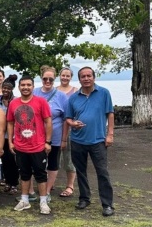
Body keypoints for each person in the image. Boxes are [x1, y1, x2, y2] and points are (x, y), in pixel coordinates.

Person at [65, 66, 115, 217]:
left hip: (98, 140)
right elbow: (68, 117)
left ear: (94, 77)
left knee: (102, 172)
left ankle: (107, 204)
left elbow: (110, 114)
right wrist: (72, 123)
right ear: (79, 79)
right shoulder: (73, 97)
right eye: (83, 76)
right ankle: (84, 198)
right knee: (80, 172)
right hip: (78, 140)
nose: (86, 79)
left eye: (89, 76)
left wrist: (110, 134)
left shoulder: (104, 93)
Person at [7, 75, 52, 214]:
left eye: (28, 85)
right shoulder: (13, 103)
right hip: (20, 146)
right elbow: (10, 122)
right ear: (19, 87)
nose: (25, 87)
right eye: (23, 85)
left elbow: (48, 121)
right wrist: (10, 141)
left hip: (38, 145)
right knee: (24, 174)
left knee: (41, 174)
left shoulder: (41, 102)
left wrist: (48, 142)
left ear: (33, 86)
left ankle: (43, 202)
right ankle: (24, 200)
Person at [32, 66, 69, 202]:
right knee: (35, 163)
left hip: (55, 134)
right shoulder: (34, 92)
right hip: (35, 135)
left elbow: (66, 119)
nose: (48, 81)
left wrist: (64, 139)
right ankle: (34, 189)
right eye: (45, 78)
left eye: (51, 79)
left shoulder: (61, 96)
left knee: (52, 162)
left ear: (55, 79)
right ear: (41, 78)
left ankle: (47, 191)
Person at [57, 67, 78, 197]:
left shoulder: (75, 91)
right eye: (63, 75)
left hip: (70, 129)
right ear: (59, 76)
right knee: (52, 158)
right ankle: (50, 182)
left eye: (67, 76)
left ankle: (70, 185)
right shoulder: (54, 91)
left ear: (71, 77)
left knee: (69, 158)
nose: (65, 78)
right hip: (56, 128)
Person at [0, 76, 19, 195]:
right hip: (0, 135)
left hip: (12, 135)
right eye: (4, 88)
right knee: (4, 159)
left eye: (8, 88)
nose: (5, 90)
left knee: (12, 160)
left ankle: (14, 183)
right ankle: (8, 182)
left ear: (12, 89)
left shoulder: (16, 101)